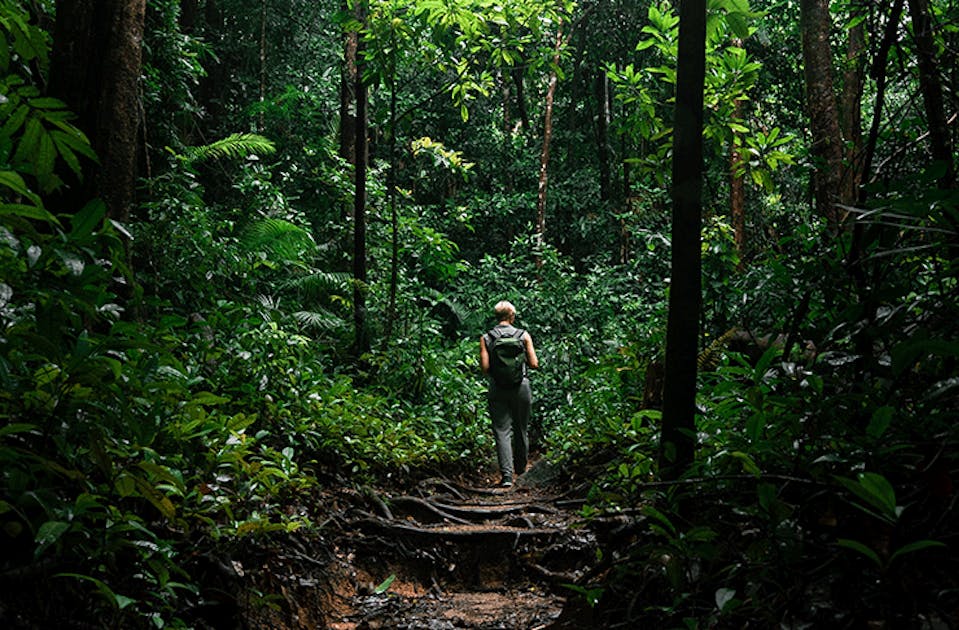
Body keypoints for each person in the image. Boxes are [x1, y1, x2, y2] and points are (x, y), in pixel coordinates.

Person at [479, 300, 539, 487]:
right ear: (512, 316)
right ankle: (521, 471)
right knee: (521, 429)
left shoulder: (486, 337)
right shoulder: (523, 335)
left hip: (498, 388)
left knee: (501, 431)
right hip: (521, 386)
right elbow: (534, 363)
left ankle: (506, 477)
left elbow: (485, 367)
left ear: (497, 317)